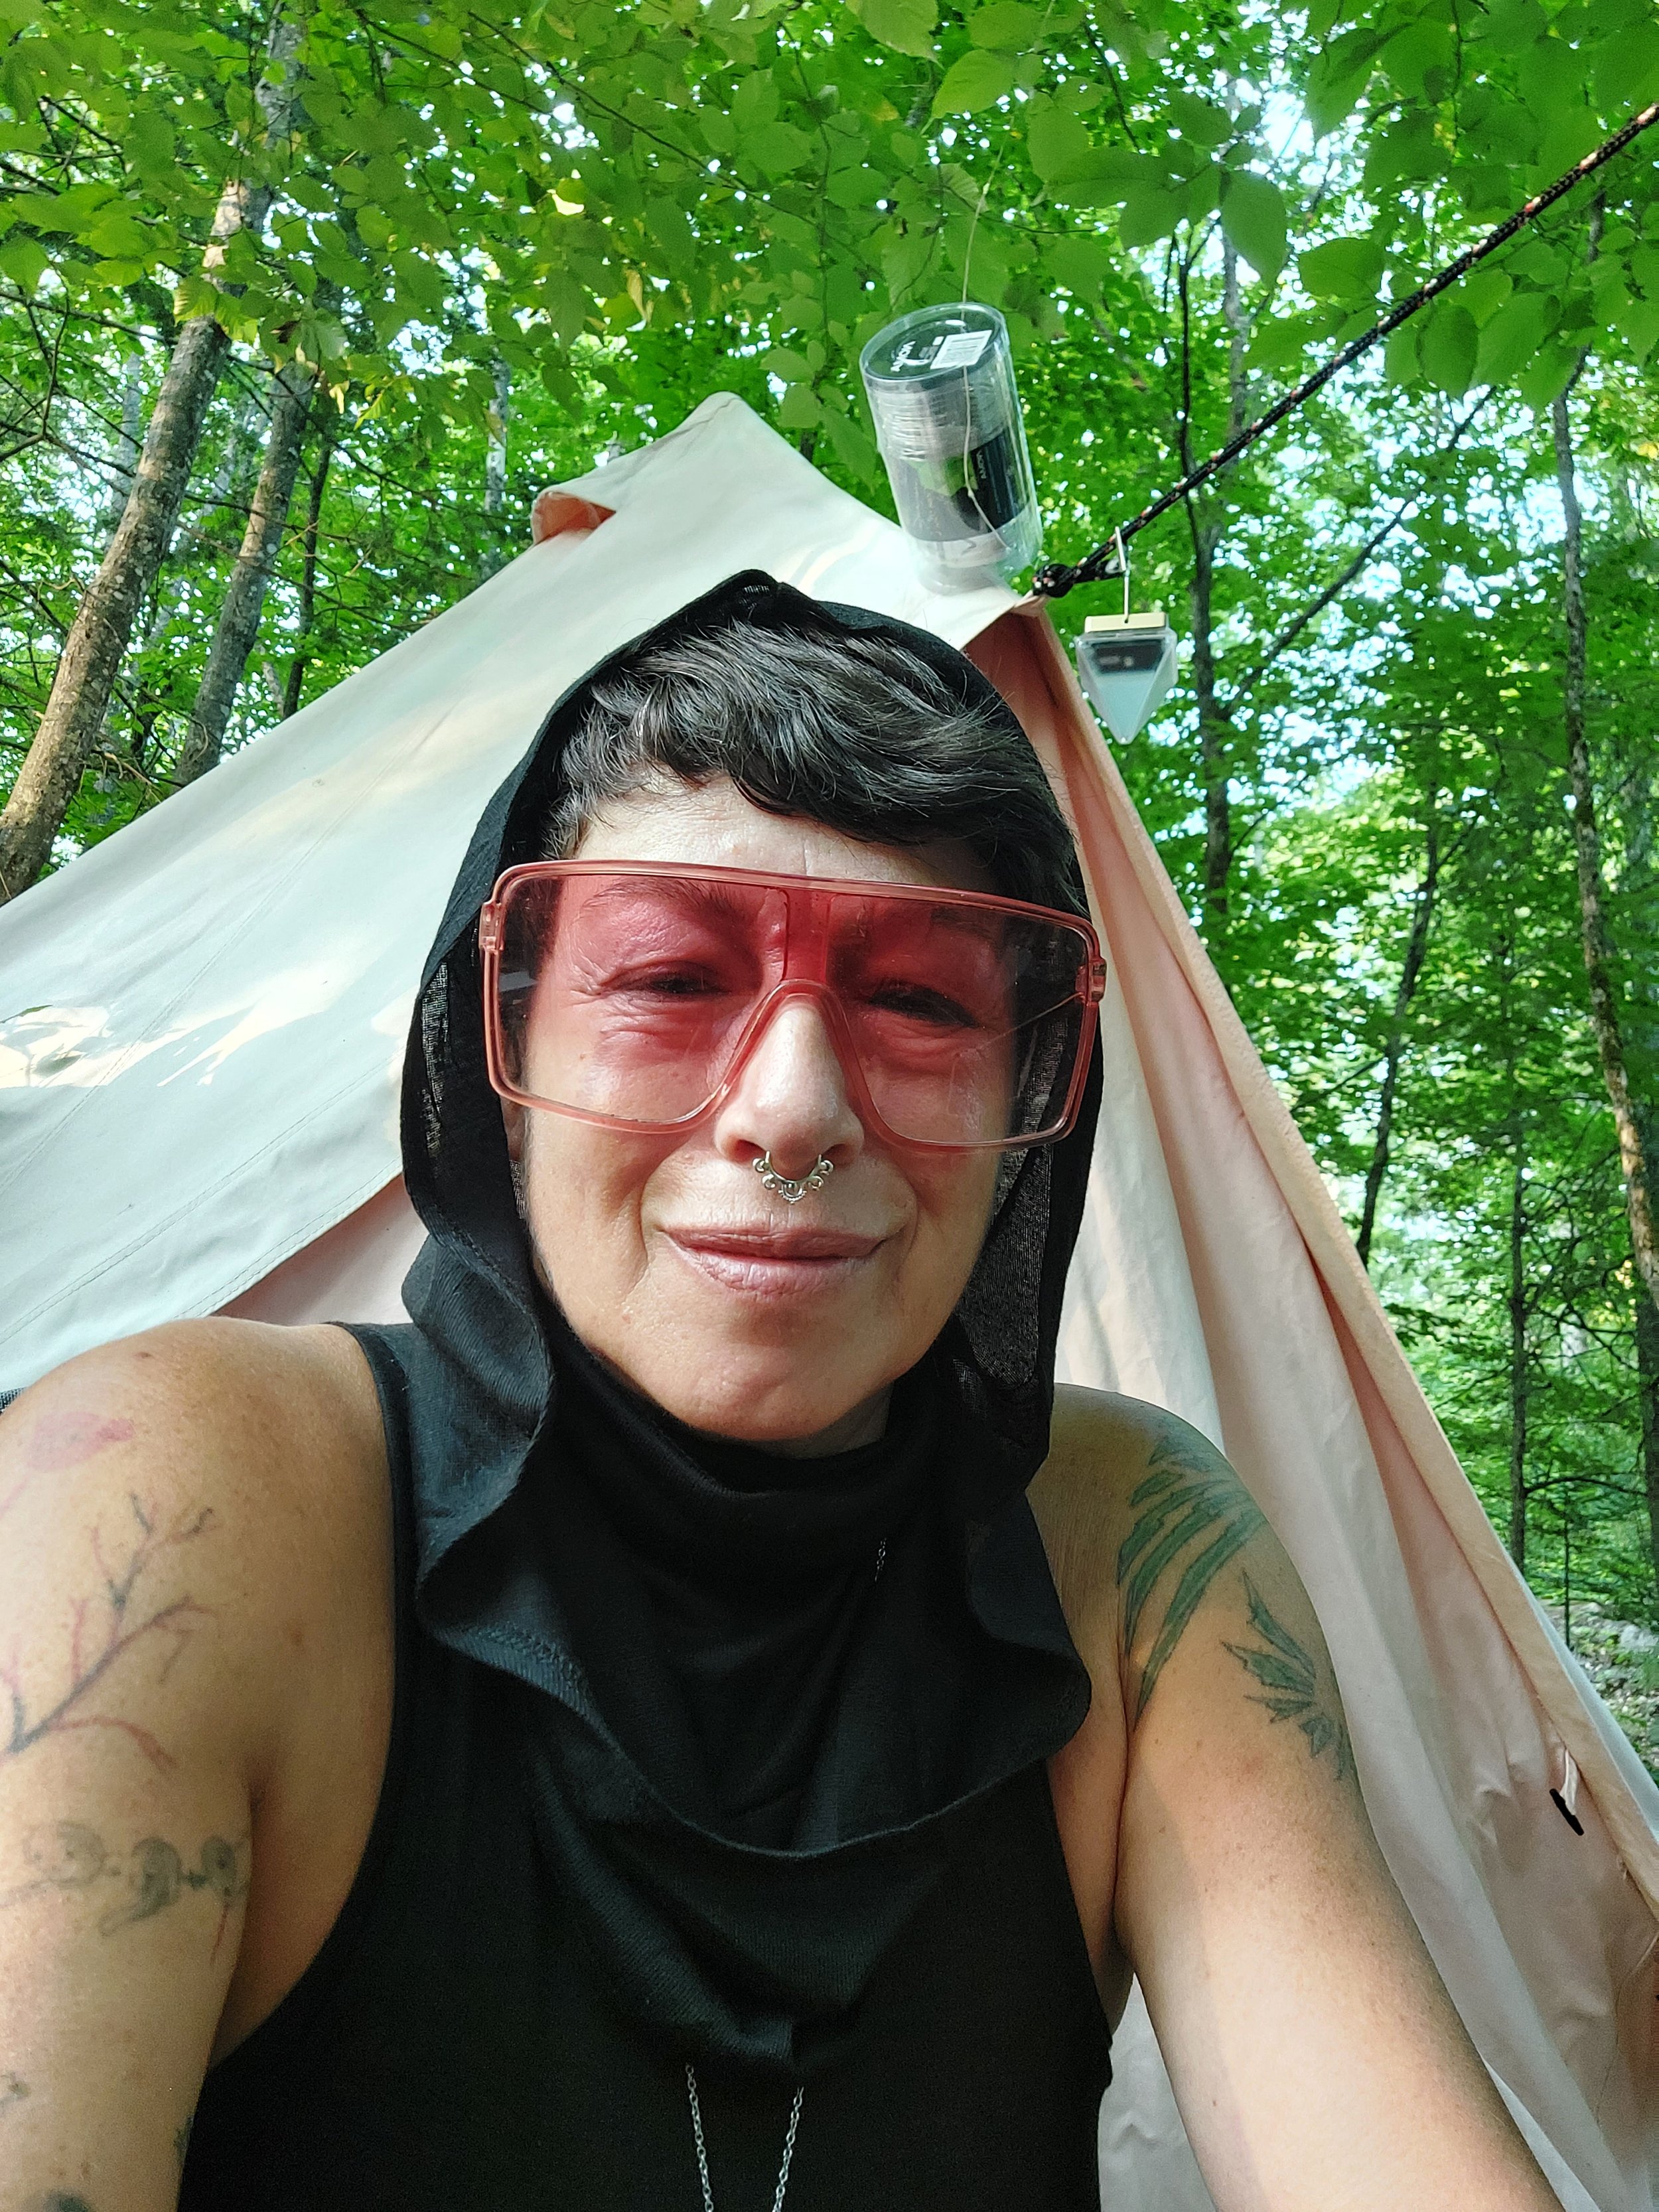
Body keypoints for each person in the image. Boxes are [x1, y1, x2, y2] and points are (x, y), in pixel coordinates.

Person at [0, 573, 1557, 2211]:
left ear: (1028, 1092)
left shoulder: (1126, 1566)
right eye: (670, 980)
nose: (793, 1107)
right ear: (504, 1049)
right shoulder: (178, 1500)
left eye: (921, 1001)